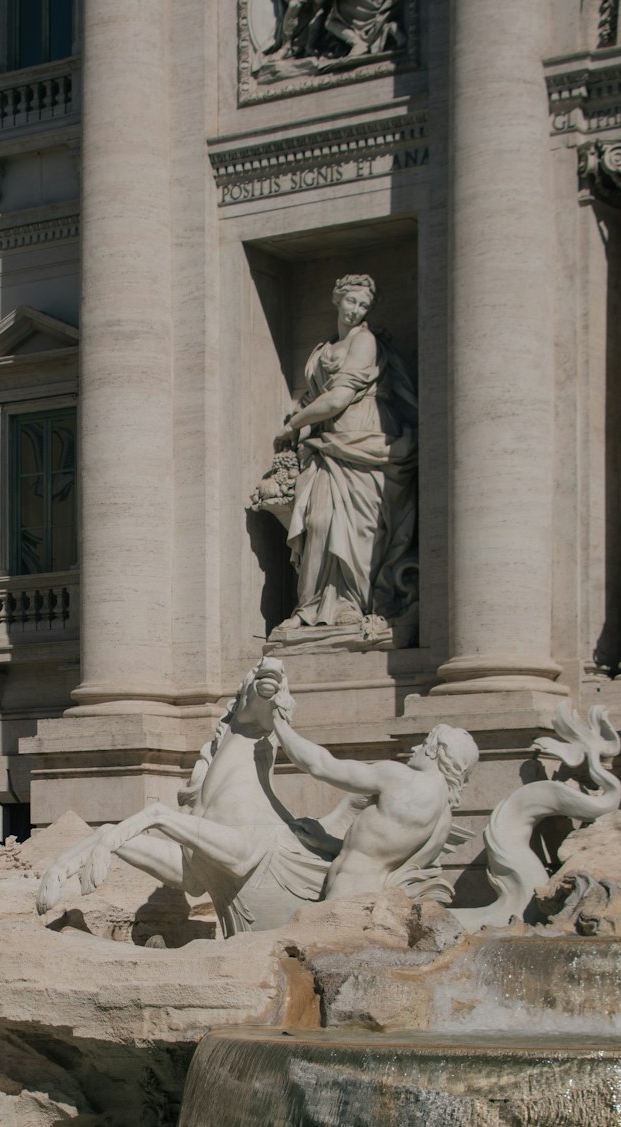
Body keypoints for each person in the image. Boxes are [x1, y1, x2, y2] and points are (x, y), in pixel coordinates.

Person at [259, 663, 479, 899]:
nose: (416, 748)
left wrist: (278, 721)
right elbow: (378, 855)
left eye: (424, 744)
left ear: (435, 752)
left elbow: (320, 765)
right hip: (373, 896)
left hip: (346, 895)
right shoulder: (443, 817)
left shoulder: (403, 779)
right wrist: (325, 842)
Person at [272, 273, 417, 630]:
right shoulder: (321, 350)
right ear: (337, 298)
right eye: (351, 301)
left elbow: (337, 398)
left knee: (358, 529)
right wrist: (303, 420)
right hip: (326, 445)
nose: (356, 310)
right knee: (318, 523)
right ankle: (312, 607)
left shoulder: (365, 341)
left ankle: (352, 606)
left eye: (363, 305)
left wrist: (293, 425)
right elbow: (315, 396)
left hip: (361, 437)